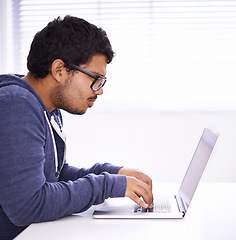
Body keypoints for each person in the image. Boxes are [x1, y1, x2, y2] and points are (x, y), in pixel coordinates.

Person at [0, 16, 153, 239]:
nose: (99, 90)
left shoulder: (45, 105)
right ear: (60, 70)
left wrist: (113, 172)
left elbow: (54, 175)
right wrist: (110, 185)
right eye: (96, 78)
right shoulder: (17, 105)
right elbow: (28, 205)